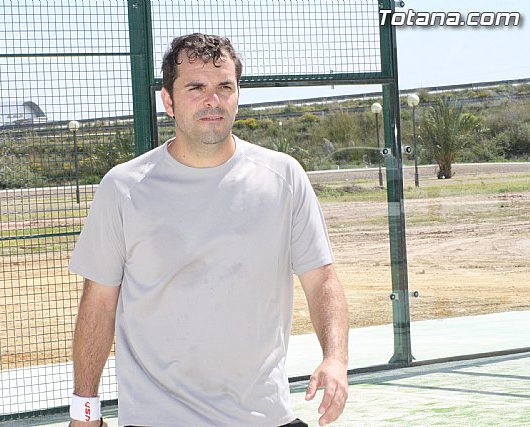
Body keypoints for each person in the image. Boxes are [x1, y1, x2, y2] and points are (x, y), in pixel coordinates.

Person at [68, 33, 349, 427]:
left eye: (224, 87)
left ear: (237, 95)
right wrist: (85, 411)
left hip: (263, 417)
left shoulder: (283, 176)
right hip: (157, 419)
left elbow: (321, 279)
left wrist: (335, 358)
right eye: (196, 87)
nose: (212, 100)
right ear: (168, 101)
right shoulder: (123, 187)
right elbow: (98, 303)